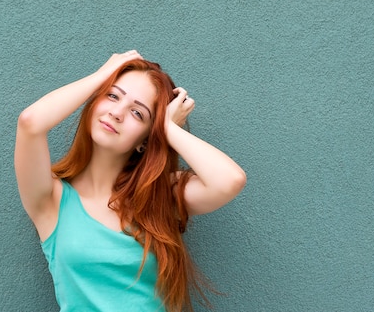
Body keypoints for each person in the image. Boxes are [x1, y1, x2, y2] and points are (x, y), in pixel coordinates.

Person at [14, 50, 246, 312]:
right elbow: (30, 122)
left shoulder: (159, 194)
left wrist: (167, 128)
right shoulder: (51, 199)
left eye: (138, 113)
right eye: (112, 96)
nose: (117, 112)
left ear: (146, 139)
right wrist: (102, 74)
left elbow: (230, 181)